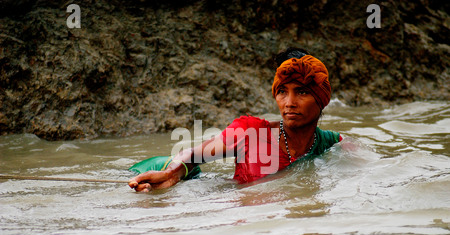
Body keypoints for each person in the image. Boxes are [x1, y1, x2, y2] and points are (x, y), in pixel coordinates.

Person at [128, 47, 342, 192]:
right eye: (283, 92)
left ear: (321, 98)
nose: (289, 102)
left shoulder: (333, 145)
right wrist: (170, 174)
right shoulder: (250, 132)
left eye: (302, 92)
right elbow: (192, 154)